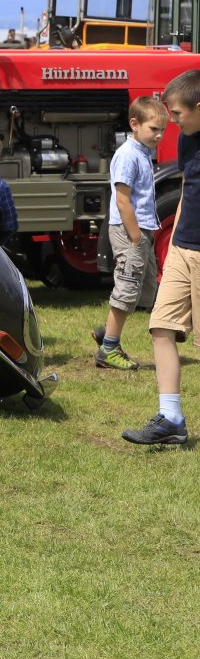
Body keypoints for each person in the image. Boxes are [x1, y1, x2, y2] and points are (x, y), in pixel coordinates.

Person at [122, 71, 200, 445]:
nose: (174, 122)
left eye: (178, 113)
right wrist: (174, 245)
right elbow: (187, 189)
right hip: (183, 249)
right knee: (161, 326)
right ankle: (171, 419)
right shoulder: (187, 139)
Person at [96, 97, 169, 371]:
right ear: (135, 124)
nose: (159, 135)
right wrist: (136, 236)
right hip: (130, 232)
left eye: (163, 130)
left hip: (141, 230)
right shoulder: (128, 155)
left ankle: (107, 333)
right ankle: (108, 349)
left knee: (145, 288)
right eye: (154, 129)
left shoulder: (143, 153)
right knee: (127, 289)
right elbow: (122, 199)